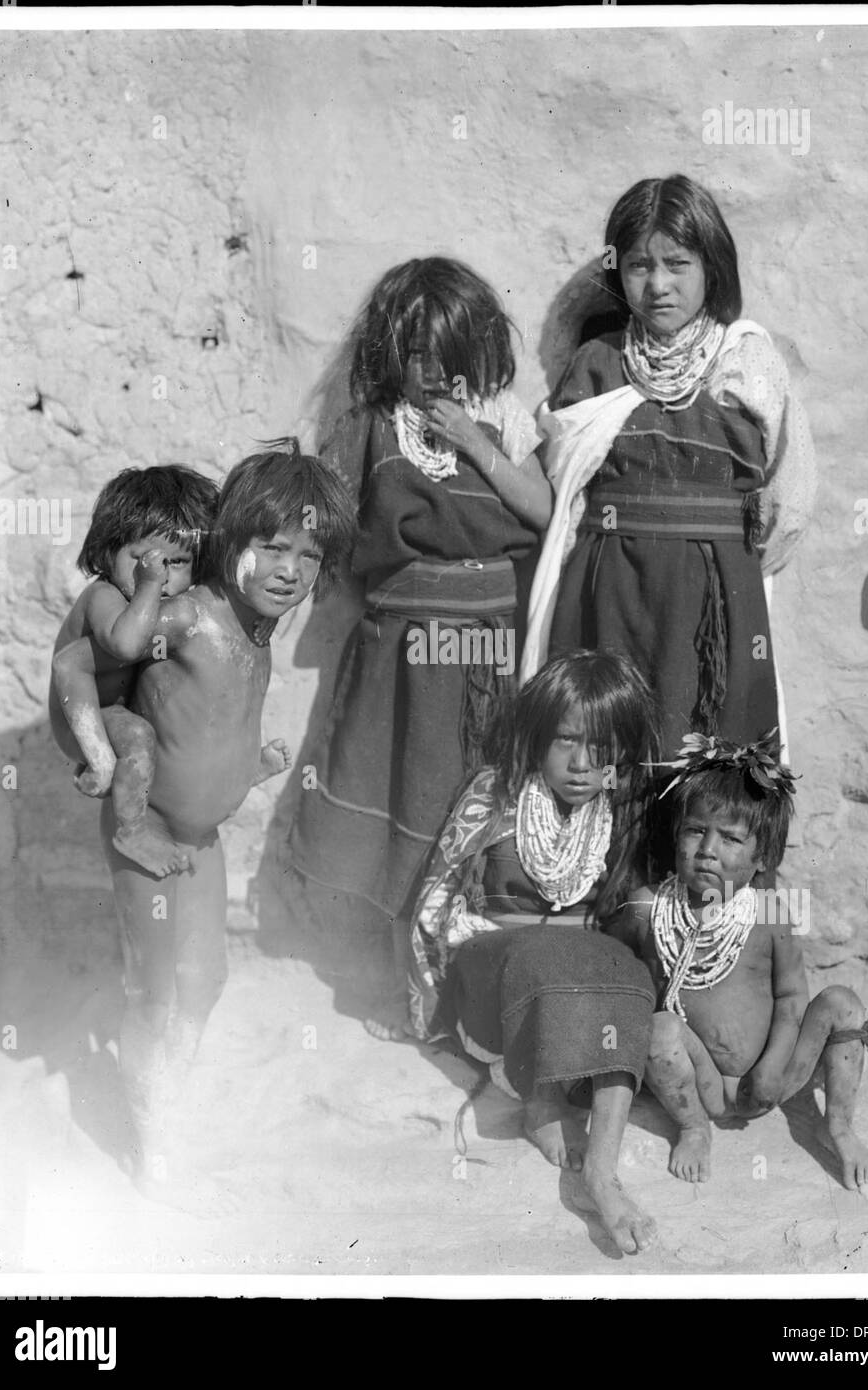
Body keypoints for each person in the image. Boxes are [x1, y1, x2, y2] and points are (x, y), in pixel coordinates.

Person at [291, 257, 552, 1039]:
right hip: (404, 652)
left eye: (448, 351)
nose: (433, 370)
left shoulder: (503, 416)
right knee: (409, 801)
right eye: (415, 353)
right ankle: (406, 984)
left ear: (478, 349)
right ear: (390, 352)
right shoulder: (371, 423)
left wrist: (474, 440)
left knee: (475, 809)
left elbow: (541, 510)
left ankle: (469, 984)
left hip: (489, 649)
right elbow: (331, 524)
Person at [98, 441, 356, 1205]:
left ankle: (163, 1092)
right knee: (154, 990)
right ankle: (148, 1128)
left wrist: (250, 764)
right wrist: (105, 755)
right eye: (272, 547)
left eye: (309, 556)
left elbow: (212, 725)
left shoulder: (257, 632)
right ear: (230, 542)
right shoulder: (184, 618)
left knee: (204, 982)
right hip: (148, 843)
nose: (290, 570)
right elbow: (97, 673)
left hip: (202, 842)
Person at [522, 173, 817, 756]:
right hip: (607, 592)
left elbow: (789, 502)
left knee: (706, 760)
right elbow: (563, 486)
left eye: (677, 263)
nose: (658, 284)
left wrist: (726, 563)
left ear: (712, 266)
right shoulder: (596, 362)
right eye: (638, 265)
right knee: (605, 751)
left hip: (714, 600)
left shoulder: (747, 360)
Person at [409, 651, 660, 1254]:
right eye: (566, 741)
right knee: (547, 954)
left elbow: (617, 914)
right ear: (537, 738)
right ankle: (540, 1103)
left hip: (568, 988)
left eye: (600, 747)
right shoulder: (496, 798)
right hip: (494, 978)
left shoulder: (617, 813)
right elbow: (434, 903)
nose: (581, 763)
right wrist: (434, 1001)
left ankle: (601, 1169)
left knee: (622, 976)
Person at [618, 730, 868, 1192]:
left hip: (775, 1079)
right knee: (658, 1027)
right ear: (677, 834)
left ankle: (837, 1124)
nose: (708, 849)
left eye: (731, 839)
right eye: (696, 830)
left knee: (843, 1003)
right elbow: (623, 979)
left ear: (762, 859)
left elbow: (792, 995)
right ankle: (694, 1129)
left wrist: (774, 1064)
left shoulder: (769, 911)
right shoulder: (647, 908)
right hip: (702, 1084)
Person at [50, 466, 219, 877]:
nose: (160, 575)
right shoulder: (104, 595)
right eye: (146, 561)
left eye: (176, 563)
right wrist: (147, 585)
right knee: (139, 735)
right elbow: (125, 644)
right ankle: (132, 830)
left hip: (113, 709)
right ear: (109, 551)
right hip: (83, 716)